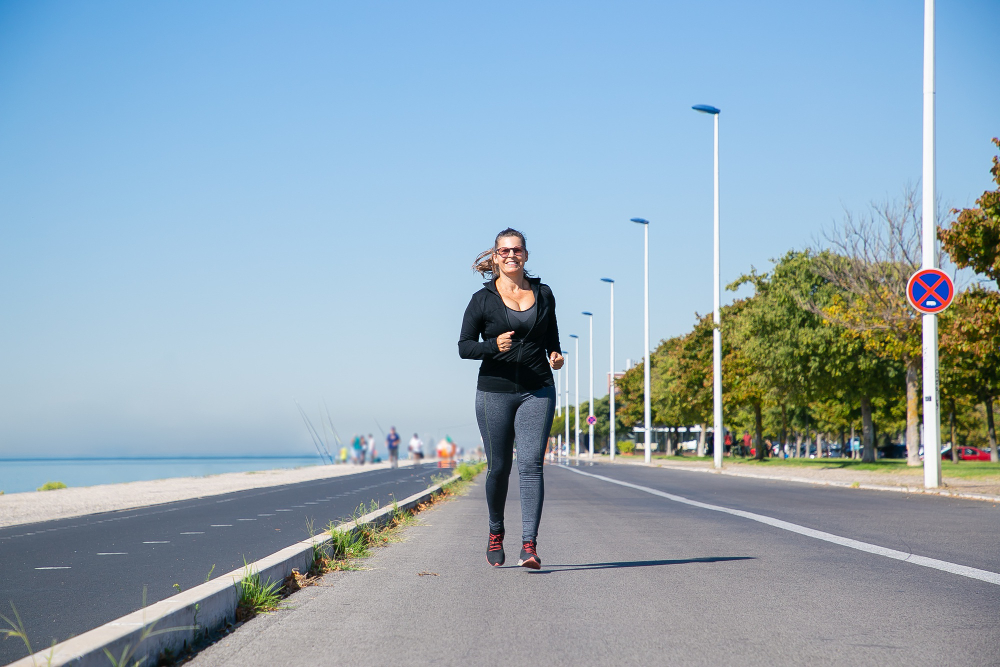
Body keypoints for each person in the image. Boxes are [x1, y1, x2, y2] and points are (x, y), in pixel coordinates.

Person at [458, 228, 563, 570]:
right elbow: (464, 347)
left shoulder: (544, 294)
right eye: (504, 251)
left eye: (516, 250)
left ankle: (529, 546)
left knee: (531, 465)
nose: (511, 256)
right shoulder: (482, 299)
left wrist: (556, 355)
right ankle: (495, 532)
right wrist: (492, 346)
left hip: (538, 389)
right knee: (499, 468)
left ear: (526, 255)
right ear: (495, 256)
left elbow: (552, 338)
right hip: (494, 392)